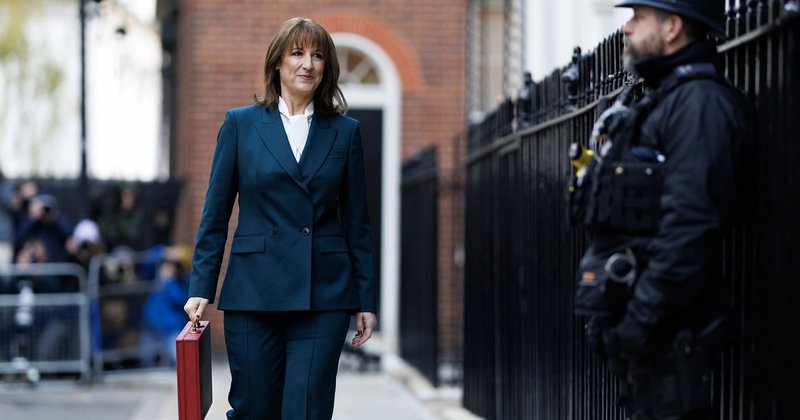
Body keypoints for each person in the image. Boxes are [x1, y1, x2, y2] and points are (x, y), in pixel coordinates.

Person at [183, 17, 377, 420]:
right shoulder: (241, 124)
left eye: (317, 55)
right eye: (297, 53)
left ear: (326, 67)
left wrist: (365, 300)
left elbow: (358, 223)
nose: (308, 64)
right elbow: (215, 213)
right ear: (277, 62)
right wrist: (201, 285)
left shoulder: (345, 132)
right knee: (253, 410)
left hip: (323, 292)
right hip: (254, 290)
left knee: (306, 410)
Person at [568, 1, 746, 418]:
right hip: (647, 344)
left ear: (672, 28)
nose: (626, 28)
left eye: (638, 17)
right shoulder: (664, 98)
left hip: (668, 336)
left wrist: (640, 320)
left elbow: (691, 225)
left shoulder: (700, 103)